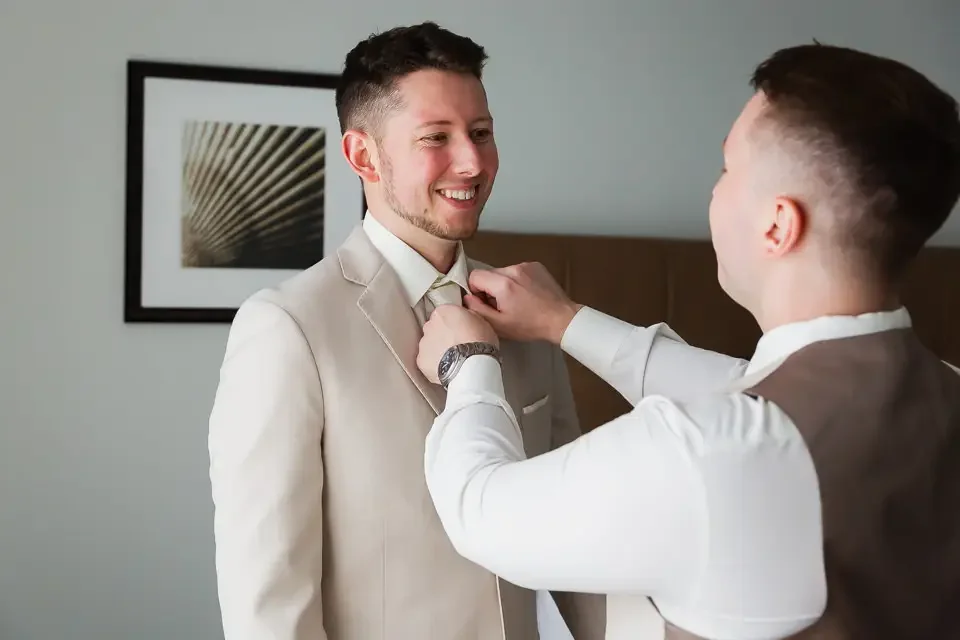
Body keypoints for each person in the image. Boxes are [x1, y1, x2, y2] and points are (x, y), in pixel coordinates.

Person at [416, 42, 960, 640]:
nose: (714, 192)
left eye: (728, 169)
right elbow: (746, 390)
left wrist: (467, 364)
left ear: (777, 224)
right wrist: (565, 321)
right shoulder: (941, 388)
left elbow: (482, 513)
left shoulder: (709, 456)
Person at [207, 21, 605, 640]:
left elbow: (570, 533)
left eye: (481, 133)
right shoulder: (288, 328)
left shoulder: (527, 314)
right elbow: (268, 592)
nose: (471, 162)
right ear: (363, 156)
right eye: (435, 138)